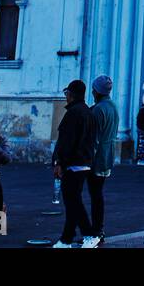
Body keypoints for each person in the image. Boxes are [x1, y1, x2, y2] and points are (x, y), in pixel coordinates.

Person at [51, 79, 99, 249]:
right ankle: (66, 239)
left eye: (66, 94)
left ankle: (89, 234)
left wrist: (59, 163)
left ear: (70, 94)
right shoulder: (88, 112)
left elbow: (67, 141)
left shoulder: (73, 113)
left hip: (73, 162)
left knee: (73, 201)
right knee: (73, 200)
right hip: (85, 161)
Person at [88, 75, 119, 244]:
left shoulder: (98, 109)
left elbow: (95, 138)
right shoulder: (113, 106)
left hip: (97, 157)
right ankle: (98, 229)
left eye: (94, 89)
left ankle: (96, 230)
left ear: (97, 91)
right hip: (108, 155)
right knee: (97, 194)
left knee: (95, 195)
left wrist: (88, 159)